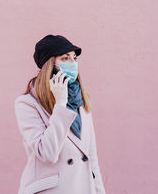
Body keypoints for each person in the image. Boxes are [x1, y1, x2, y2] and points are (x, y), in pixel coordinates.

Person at [14, 34, 106, 194]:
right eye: (65, 58)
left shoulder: (81, 101)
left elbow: (91, 158)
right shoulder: (27, 104)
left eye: (74, 58)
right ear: (50, 65)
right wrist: (60, 105)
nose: (73, 64)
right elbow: (47, 153)